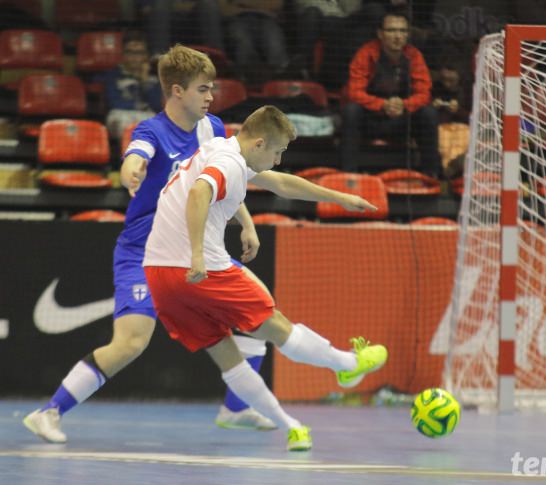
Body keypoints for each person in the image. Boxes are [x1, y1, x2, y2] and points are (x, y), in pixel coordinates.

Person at [23, 44, 273, 444]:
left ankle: (237, 408)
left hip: (195, 250)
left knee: (259, 316)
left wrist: (246, 224)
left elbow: (227, 179)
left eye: (212, 89)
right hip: (145, 252)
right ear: (177, 91)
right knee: (131, 342)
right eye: (203, 89)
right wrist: (131, 168)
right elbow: (136, 156)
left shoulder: (213, 129)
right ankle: (48, 412)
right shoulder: (151, 131)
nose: (211, 97)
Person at [143, 105, 388, 450]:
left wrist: (339, 197)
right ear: (259, 144)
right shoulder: (228, 162)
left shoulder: (222, 150)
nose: (277, 161)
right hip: (197, 267)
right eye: (277, 152)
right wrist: (197, 254)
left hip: (158, 272)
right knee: (274, 324)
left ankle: (290, 426)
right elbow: (200, 192)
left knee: (226, 352)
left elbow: (282, 184)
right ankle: (347, 365)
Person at [340, 7, 440, 176]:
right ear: (380, 33)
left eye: (402, 31)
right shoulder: (366, 53)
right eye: (391, 30)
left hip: (402, 120)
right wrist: (383, 105)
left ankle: (431, 177)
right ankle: (348, 175)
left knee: (429, 113)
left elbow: (424, 93)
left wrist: (404, 105)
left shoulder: (414, 56)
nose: (397, 36)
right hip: (371, 121)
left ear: (408, 34)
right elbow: (354, 92)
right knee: (351, 110)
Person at [104, 31, 163, 139]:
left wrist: (144, 81)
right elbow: (113, 102)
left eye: (139, 53)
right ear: (123, 54)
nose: (135, 57)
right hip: (121, 114)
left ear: (146, 56)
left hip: (146, 115)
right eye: (130, 52)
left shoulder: (153, 79)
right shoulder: (113, 75)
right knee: (125, 123)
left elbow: (156, 105)